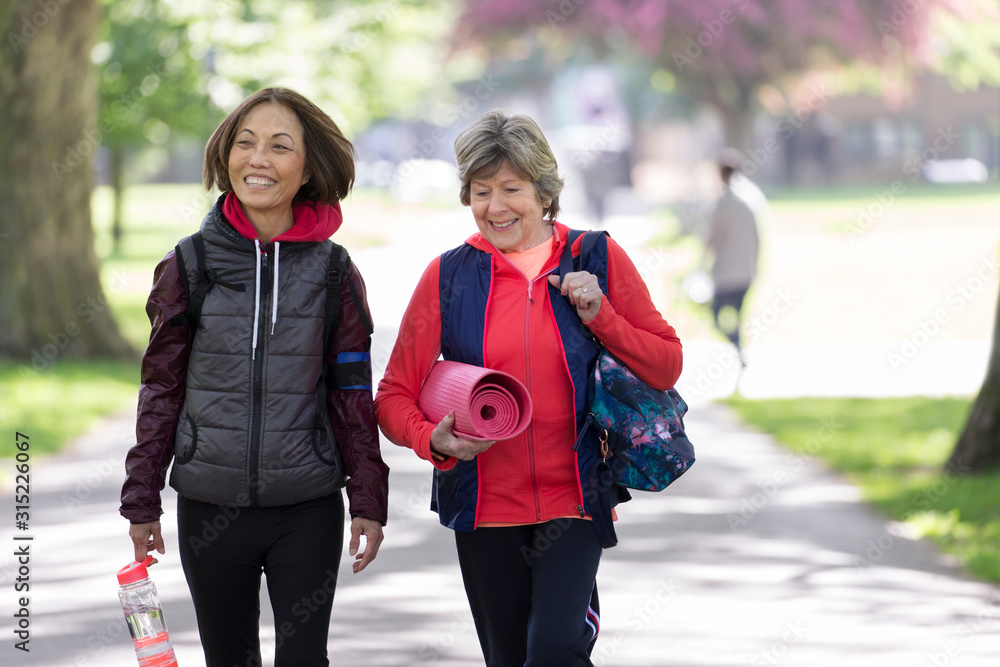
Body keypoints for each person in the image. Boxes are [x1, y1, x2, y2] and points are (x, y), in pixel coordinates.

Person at [374, 110, 682, 667]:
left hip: (575, 500)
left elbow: (667, 365)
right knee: (509, 658)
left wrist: (602, 316)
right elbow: (394, 395)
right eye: (481, 191)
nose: (495, 206)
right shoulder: (448, 276)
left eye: (511, 188)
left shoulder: (594, 257)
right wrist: (430, 439)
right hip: (483, 506)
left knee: (555, 649)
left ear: (543, 192)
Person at [120, 87, 389, 667]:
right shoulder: (190, 263)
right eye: (245, 143)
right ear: (226, 155)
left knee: (304, 659)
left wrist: (368, 497)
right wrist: (142, 499)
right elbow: (161, 388)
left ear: (307, 168)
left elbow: (351, 393)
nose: (258, 159)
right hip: (209, 507)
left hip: (307, 506)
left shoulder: (333, 270)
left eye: (279, 146)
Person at [704, 148, 761, 366]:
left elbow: (712, 238)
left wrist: (701, 263)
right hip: (746, 271)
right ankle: (739, 347)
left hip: (727, 273)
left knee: (717, 316)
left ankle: (738, 347)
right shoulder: (751, 197)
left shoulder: (726, 201)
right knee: (736, 316)